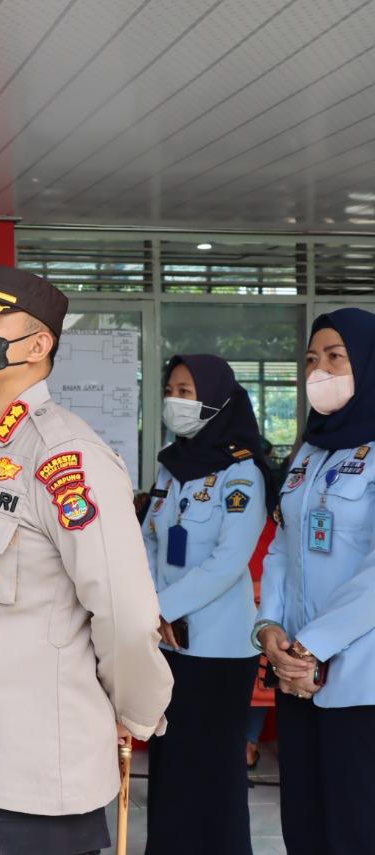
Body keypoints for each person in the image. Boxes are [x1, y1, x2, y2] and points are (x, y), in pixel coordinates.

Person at [0, 266, 173, 854]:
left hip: (28, 776)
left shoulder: (67, 456)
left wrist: (134, 713)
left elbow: (126, 616)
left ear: (37, 345)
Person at [255, 307, 375, 854]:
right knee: (305, 825)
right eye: (310, 359)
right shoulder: (310, 449)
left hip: (360, 677)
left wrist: (311, 647)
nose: (319, 371)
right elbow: (282, 546)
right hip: (297, 674)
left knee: (357, 827)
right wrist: (270, 628)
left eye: (335, 357)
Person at [141, 355, 271, 855]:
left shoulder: (242, 473)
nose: (176, 400)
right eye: (171, 389)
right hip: (165, 643)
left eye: (188, 392)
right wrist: (149, 606)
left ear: (217, 399)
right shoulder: (171, 465)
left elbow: (228, 561)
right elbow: (149, 540)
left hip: (218, 649)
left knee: (213, 772)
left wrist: (162, 608)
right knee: (171, 765)